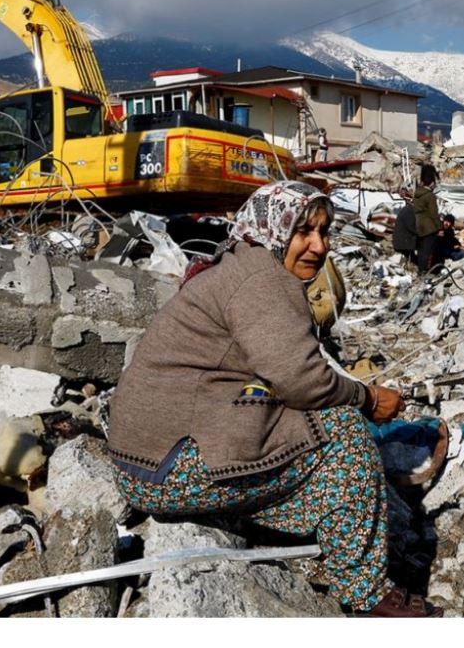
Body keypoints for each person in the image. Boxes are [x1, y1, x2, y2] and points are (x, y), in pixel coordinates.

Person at [107, 180, 442, 617]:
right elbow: (302, 381)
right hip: (168, 469)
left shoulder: (240, 264)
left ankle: (307, 526)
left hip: (142, 462)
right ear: (275, 229)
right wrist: (366, 398)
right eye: (304, 232)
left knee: (296, 427)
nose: (318, 246)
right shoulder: (262, 281)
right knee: (343, 433)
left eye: (325, 232)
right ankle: (366, 593)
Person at [413, 164, 442, 274]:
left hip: (419, 225)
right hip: (429, 227)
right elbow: (434, 214)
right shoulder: (430, 196)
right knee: (427, 251)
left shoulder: (417, 194)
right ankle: (424, 272)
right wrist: (440, 228)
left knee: (421, 250)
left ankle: (421, 270)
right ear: (431, 182)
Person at [392, 198, 417, 267]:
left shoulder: (409, 210)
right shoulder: (408, 211)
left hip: (405, 241)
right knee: (404, 259)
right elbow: (411, 227)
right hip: (403, 242)